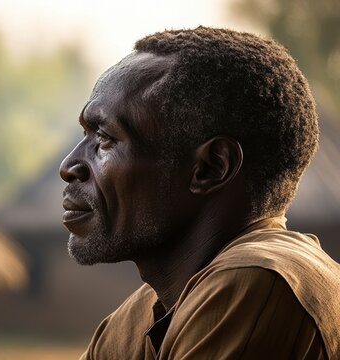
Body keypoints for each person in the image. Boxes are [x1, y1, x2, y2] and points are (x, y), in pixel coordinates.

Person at [59, 26, 340, 359]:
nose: (69, 165)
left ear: (210, 168)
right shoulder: (137, 317)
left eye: (105, 139)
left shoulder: (258, 280)